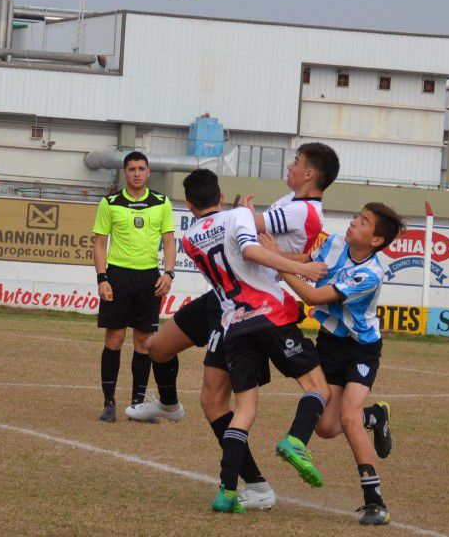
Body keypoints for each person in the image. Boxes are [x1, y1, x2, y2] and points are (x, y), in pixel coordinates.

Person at [137, 143, 339, 510]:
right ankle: (168, 404)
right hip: (234, 300)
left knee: (216, 399)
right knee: (157, 348)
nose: (290, 165)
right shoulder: (282, 204)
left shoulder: (300, 211)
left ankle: (249, 485)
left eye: (296, 162)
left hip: (248, 303)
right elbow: (255, 238)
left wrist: (245, 217)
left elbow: (253, 239)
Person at [267, 202, 404, 526]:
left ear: (375, 241)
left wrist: (276, 263)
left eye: (364, 222)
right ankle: (378, 415)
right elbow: (309, 262)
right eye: (357, 216)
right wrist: (274, 255)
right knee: (326, 428)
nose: (354, 222)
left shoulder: (370, 274)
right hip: (329, 344)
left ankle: (375, 503)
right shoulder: (337, 242)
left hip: (361, 349)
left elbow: (314, 297)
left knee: (349, 418)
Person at [92, 151, 178, 423]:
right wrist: (102, 277)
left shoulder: (162, 203)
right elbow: (100, 242)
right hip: (117, 277)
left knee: (144, 343)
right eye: (131, 169)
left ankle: (137, 405)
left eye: (141, 168)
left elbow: (170, 240)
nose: (137, 173)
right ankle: (109, 403)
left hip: (148, 279)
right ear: (124, 173)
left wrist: (169, 273)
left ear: (149, 172)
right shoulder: (110, 202)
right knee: (114, 339)